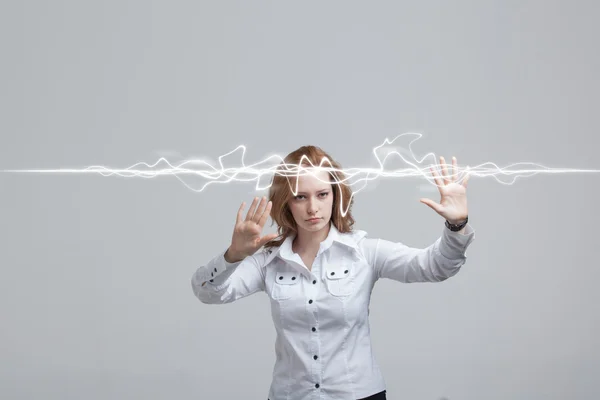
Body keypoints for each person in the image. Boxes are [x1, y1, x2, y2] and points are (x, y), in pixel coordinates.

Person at [191, 145, 475, 400]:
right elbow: (207, 292)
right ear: (286, 203)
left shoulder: (364, 251)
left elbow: (436, 266)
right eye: (300, 197)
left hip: (358, 395)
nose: (313, 207)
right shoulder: (268, 261)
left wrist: (457, 225)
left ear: (335, 195)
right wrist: (233, 256)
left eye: (322, 194)